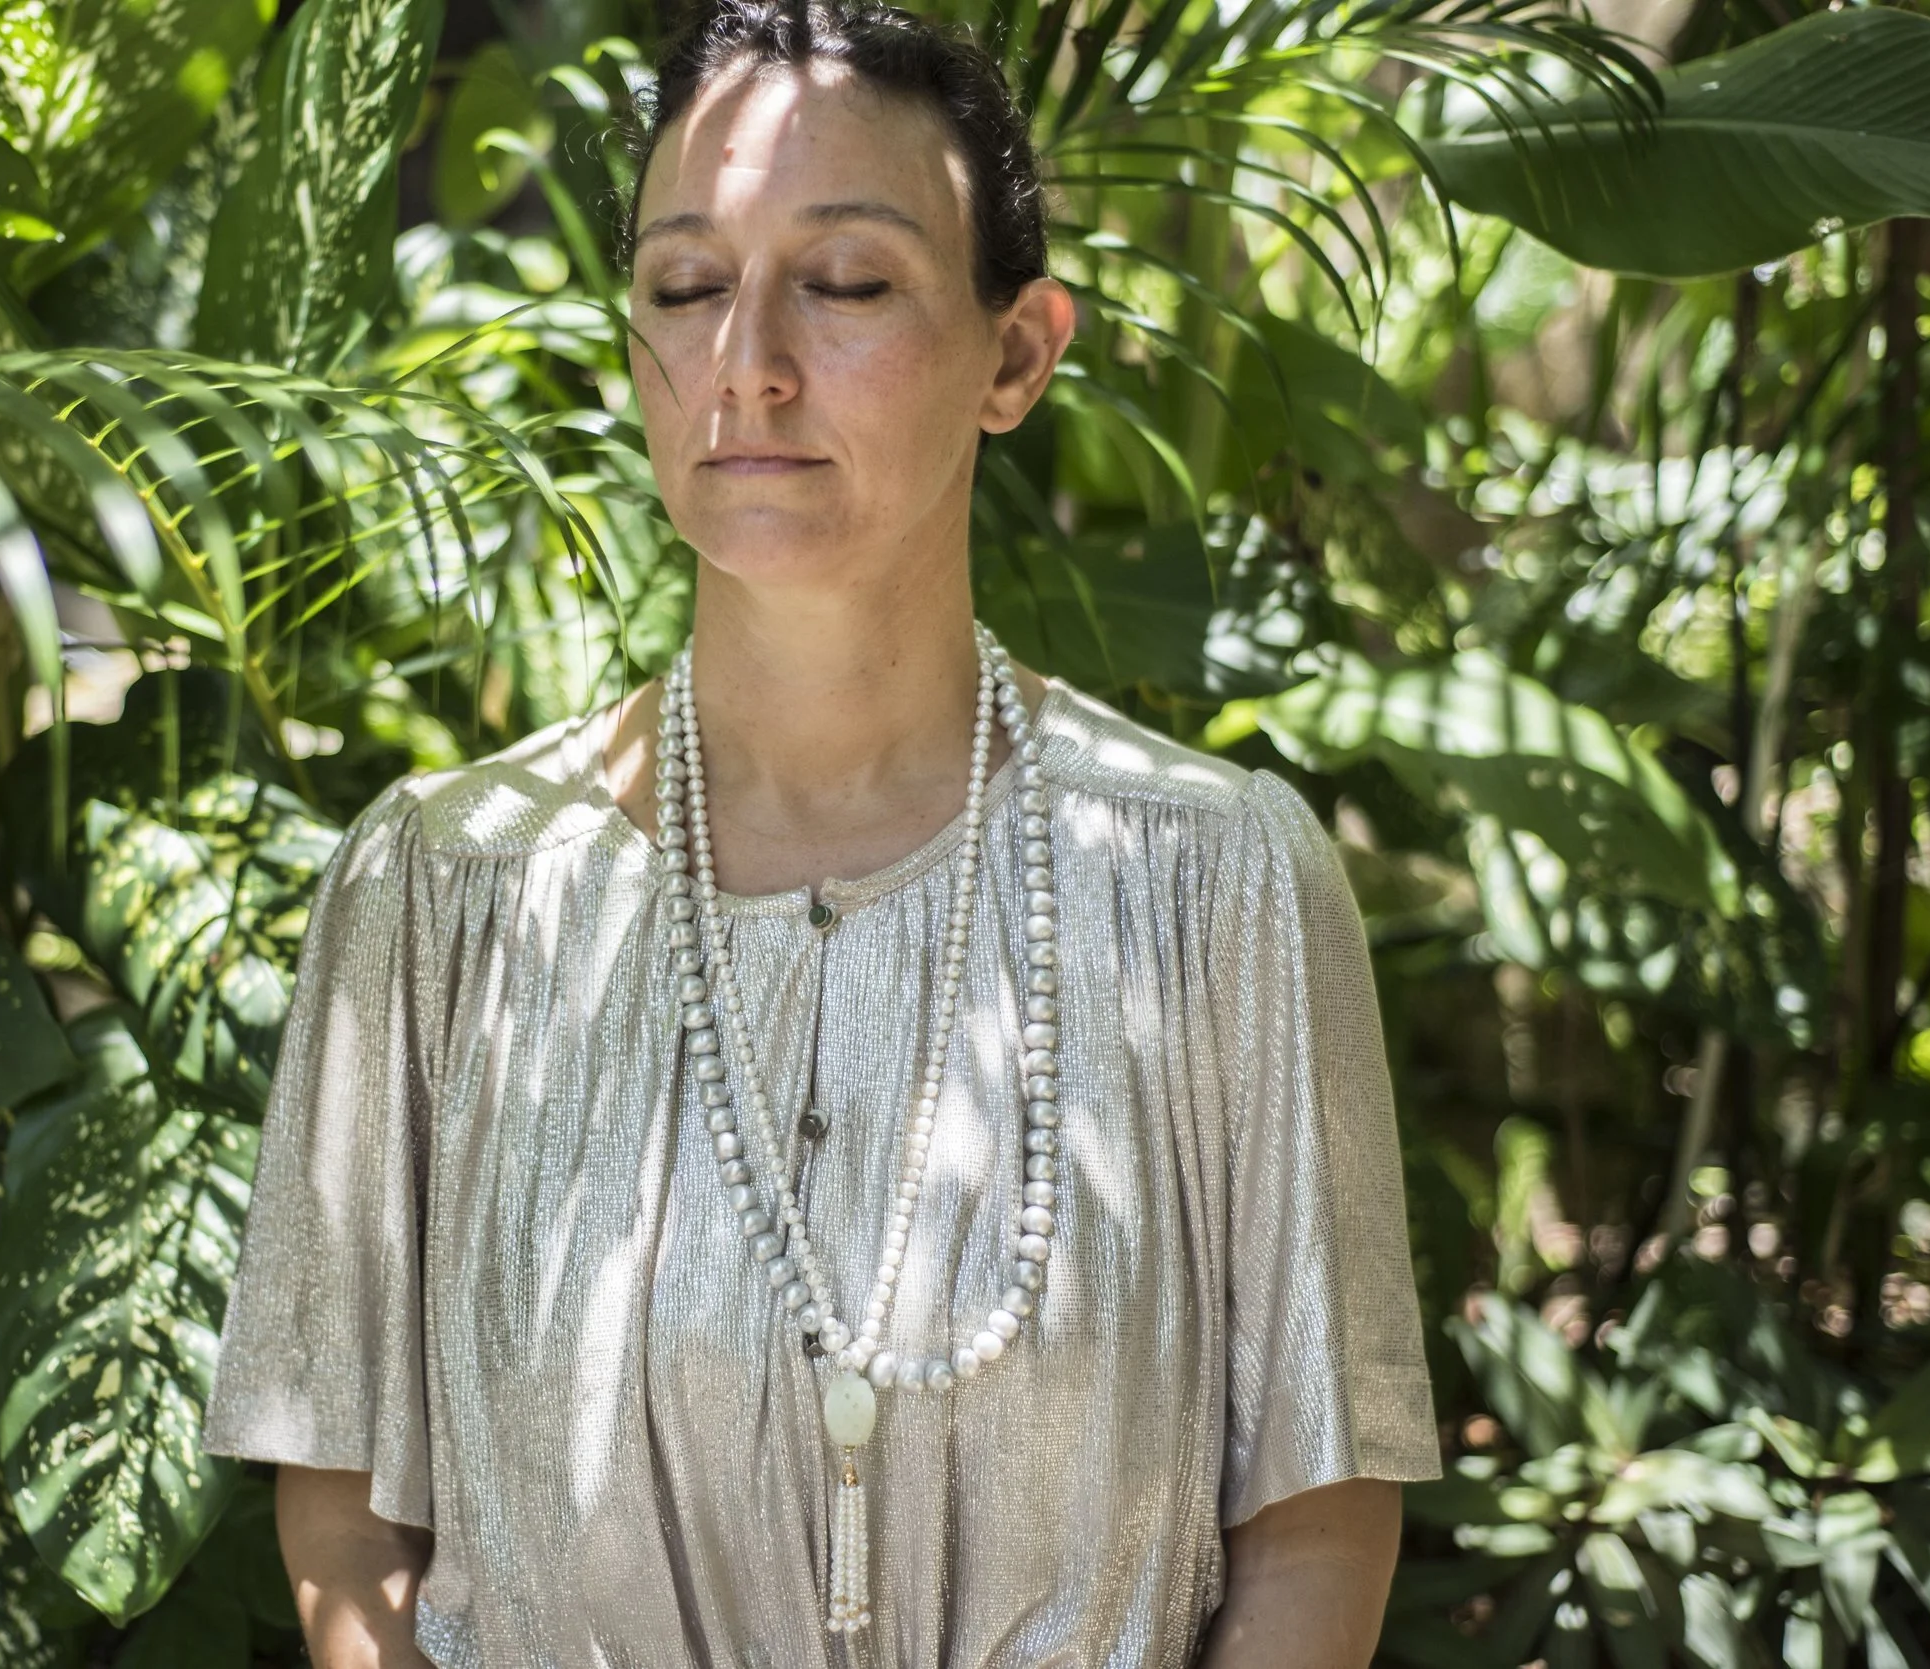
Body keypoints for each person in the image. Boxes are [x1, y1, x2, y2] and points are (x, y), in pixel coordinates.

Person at [201, 0, 1441, 1661]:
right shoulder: (446, 887)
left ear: (1018, 354)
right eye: (687, 287)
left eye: (847, 284)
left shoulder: (1216, 883)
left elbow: (1316, 1518)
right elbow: (349, 1513)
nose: (750, 361)